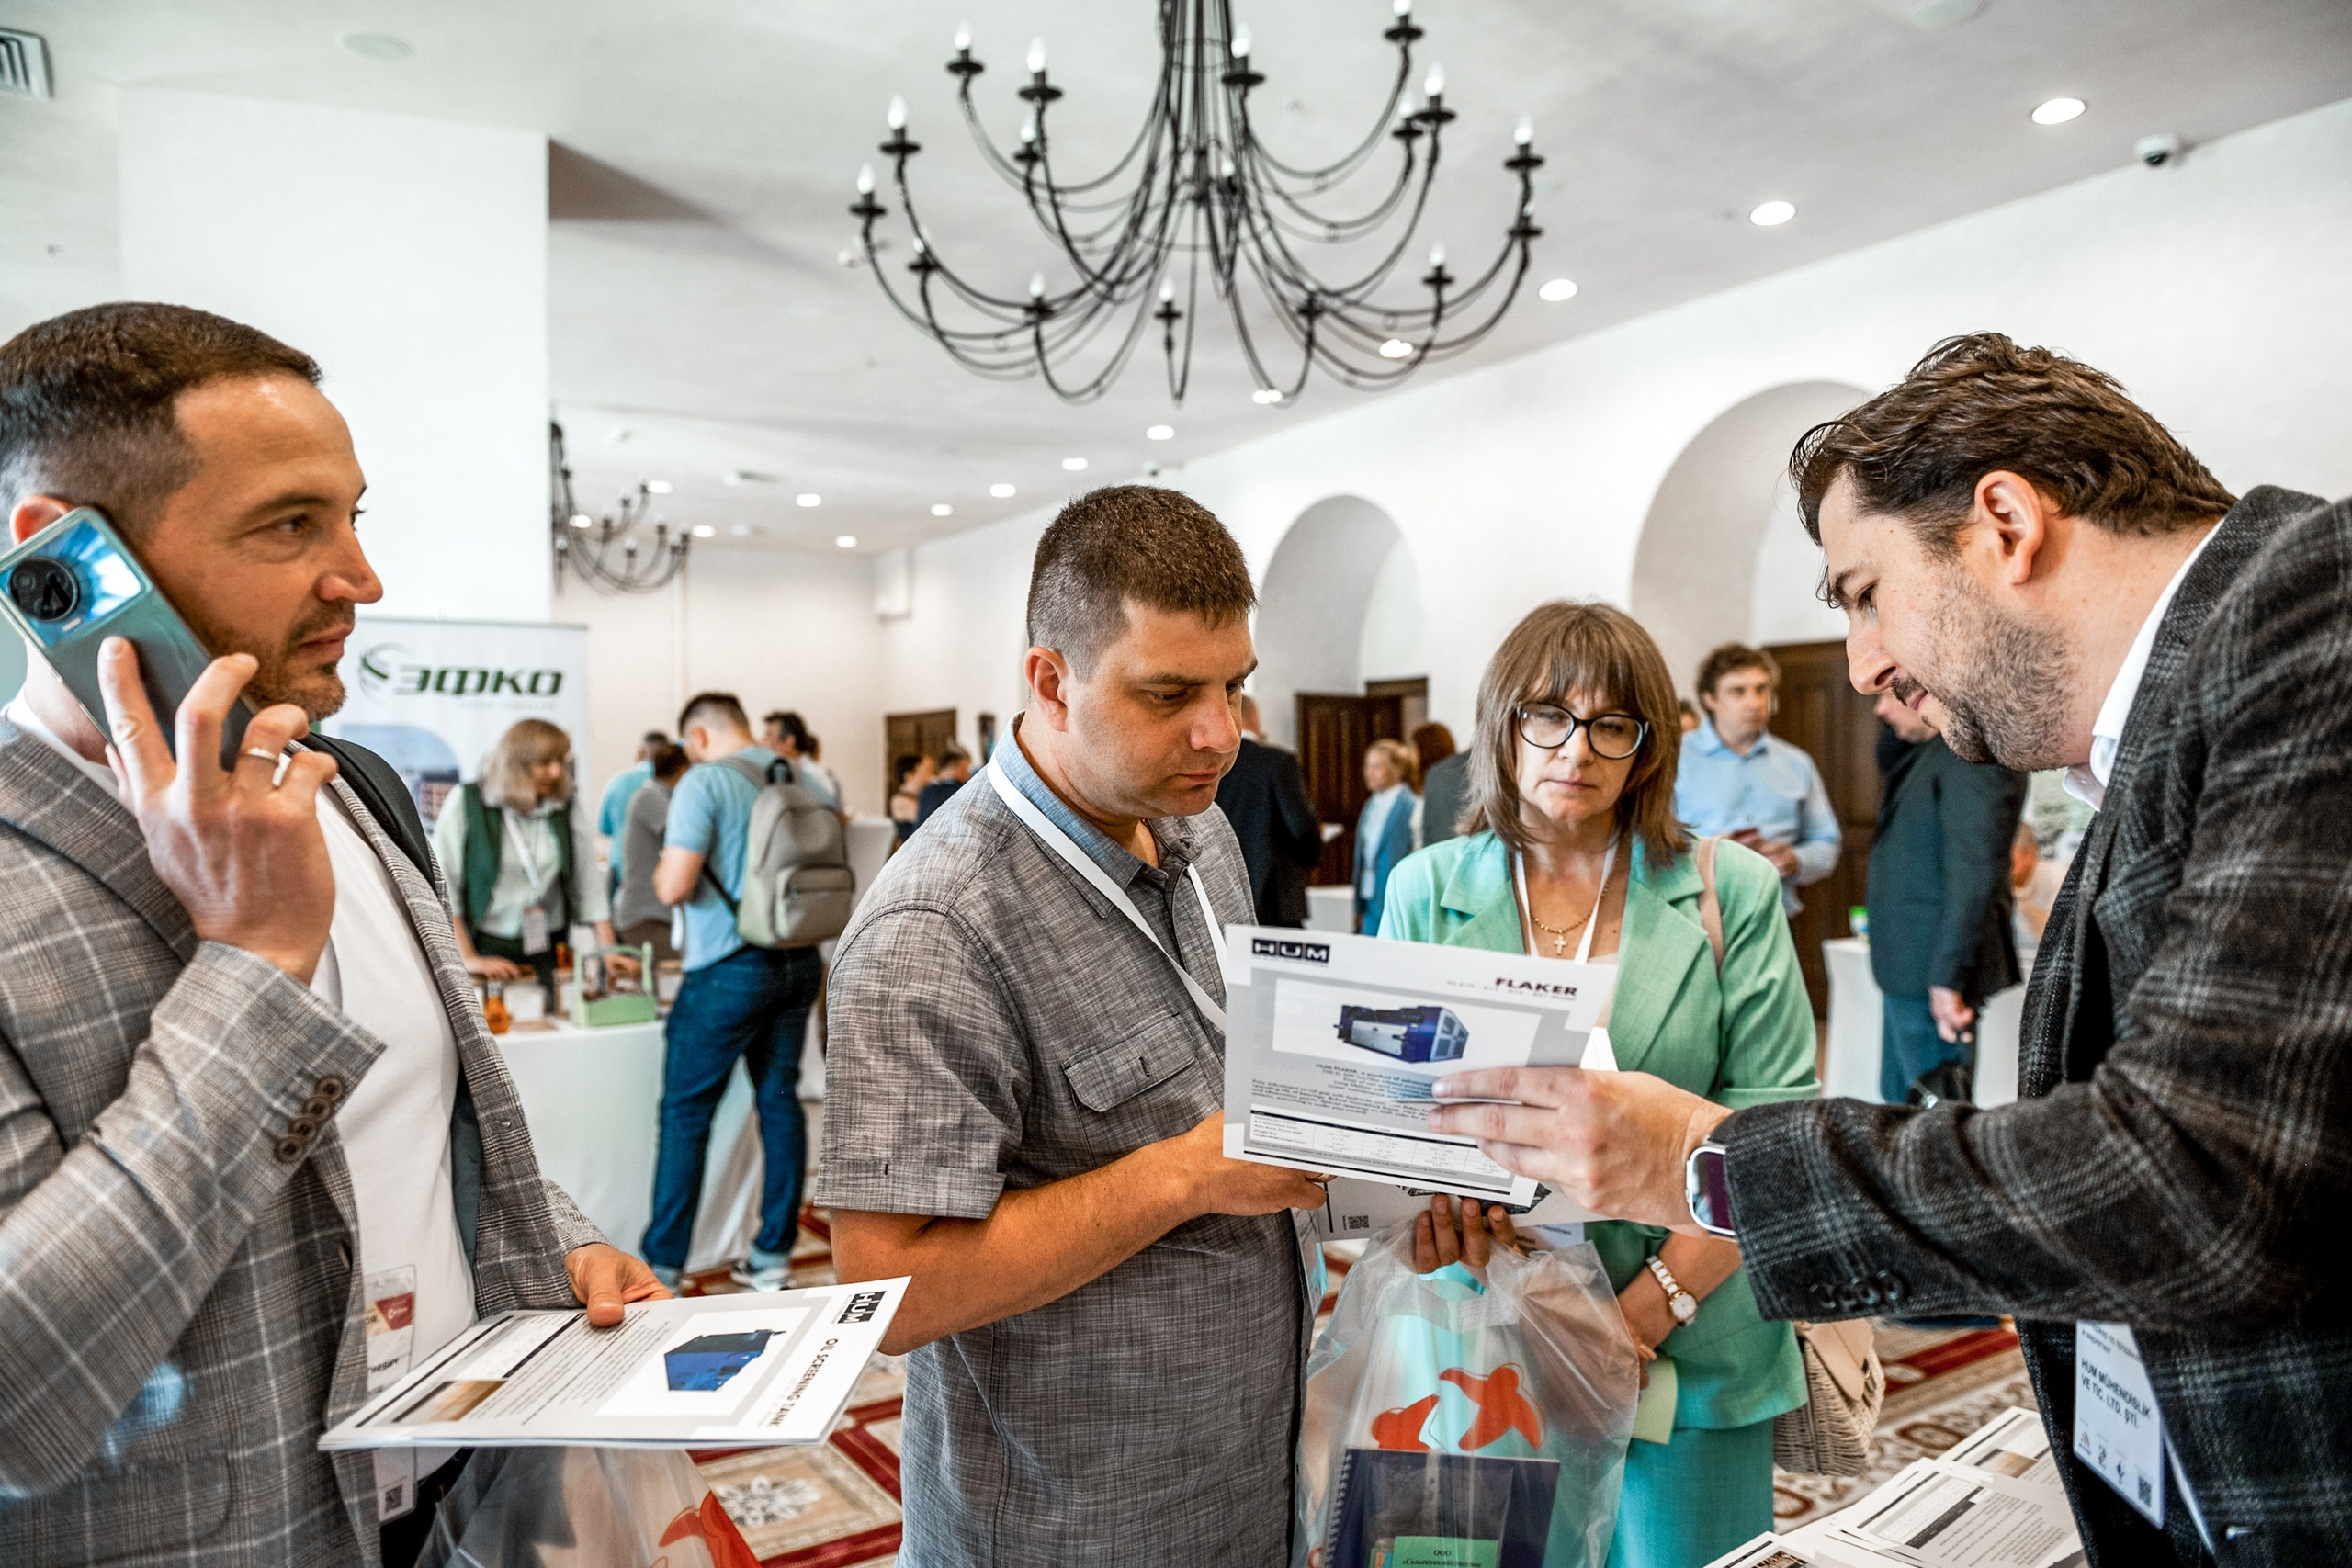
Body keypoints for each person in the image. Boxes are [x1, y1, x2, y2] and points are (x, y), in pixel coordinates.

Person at [1426, 333, 2352, 1564]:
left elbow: (2198, 1176)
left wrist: (1704, 1160)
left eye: (1863, 593)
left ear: (2004, 523)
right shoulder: (2157, 732)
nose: (1863, 667)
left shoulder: (2308, 612)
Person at [0, 302, 663, 1566]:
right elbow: (20, 1393)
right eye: (292, 523)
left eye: (355, 515)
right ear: (65, 554)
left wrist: (556, 1227)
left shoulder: (348, 785)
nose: (360, 577)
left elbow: (433, 1118)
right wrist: (251, 964)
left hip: (473, 1509)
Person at [815, 485, 1328, 1567]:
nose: (1220, 734)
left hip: (1249, 1480)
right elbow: (882, 1293)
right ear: (1050, 683)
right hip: (1066, 1523)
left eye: (1235, 686)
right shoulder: (934, 926)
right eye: (1168, 693)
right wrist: (1182, 1175)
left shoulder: (1200, 835)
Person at [1383, 601, 1816, 1568]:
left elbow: (1773, 1130)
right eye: (1547, 715)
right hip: (1490, 1337)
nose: (1575, 748)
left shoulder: (1725, 888)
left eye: (1610, 723)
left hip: (1691, 1344)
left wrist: (1639, 1317)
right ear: (1502, 724)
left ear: (1646, 747)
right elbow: (1401, 1123)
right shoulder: (1425, 887)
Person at [642, 692, 823, 1292]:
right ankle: (772, 1256)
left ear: (696, 736)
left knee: (685, 1113)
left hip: (726, 964)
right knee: (779, 1100)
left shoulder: (704, 783)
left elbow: (674, 885)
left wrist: (659, 870)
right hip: (799, 957)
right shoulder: (806, 775)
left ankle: (662, 1266)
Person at [1866, 688, 2026, 1103]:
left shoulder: (1971, 755)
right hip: (1906, 968)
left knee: (1933, 1116)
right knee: (1899, 1104)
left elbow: (1975, 871)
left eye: (1889, 694)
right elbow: (1886, 758)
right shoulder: (1924, 751)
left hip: (1933, 973)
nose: (1880, 708)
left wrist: (1947, 978)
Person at [433, 717, 622, 990]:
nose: (556, 772)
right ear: (516, 764)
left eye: (560, 761)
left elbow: (589, 886)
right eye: (544, 763)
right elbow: (444, 889)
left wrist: (608, 951)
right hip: (483, 947)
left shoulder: (565, 805)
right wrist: (468, 958)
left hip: (548, 948)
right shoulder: (466, 803)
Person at [1672, 644, 1841, 910]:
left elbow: (1827, 844)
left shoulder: (1796, 763)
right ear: (1710, 699)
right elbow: (1645, 845)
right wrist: (1711, 853)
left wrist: (1796, 859)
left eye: (1761, 689)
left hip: (1776, 915)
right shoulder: (1673, 760)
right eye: (1738, 692)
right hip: (1696, 917)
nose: (1754, 702)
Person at [1216, 693, 1323, 926]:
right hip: (1274, 894)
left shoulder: (1211, 764)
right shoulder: (1277, 762)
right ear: (1253, 715)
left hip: (1220, 891)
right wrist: (1312, 859)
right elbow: (1301, 827)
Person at [612, 740, 688, 963]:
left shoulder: (660, 797)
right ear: (684, 772)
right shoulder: (650, 797)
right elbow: (687, 838)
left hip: (657, 915)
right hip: (646, 916)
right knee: (669, 979)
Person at [1353, 735, 1419, 933]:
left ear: (1396, 770)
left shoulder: (1410, 804)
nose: (1369, 773)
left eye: (1377, 767)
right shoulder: (1370, 804)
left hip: (1394, 895)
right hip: (1368, 895)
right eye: (1367, 766)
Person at [597, 728, 668, 888]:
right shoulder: (670, 784)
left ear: (640, 751)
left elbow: (604, 828)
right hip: (660, 874)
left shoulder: (617, 783)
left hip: (622, 869)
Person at [763, 708, 842, 809]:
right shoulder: (782, 772)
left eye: (768, 735)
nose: (763, 741)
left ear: (788, 742)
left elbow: (829, 815)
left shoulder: (813, 775)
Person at [914, 743, 971, 827]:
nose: (969, 774)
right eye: (966, 769)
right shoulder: (964, 789)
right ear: (956, 768)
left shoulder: (928, 790)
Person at [888, 751, 935, 844]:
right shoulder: (899, 800)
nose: (930, 776)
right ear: (908, 776)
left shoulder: (922, 796)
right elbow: (928, 819)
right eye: (925, 771)